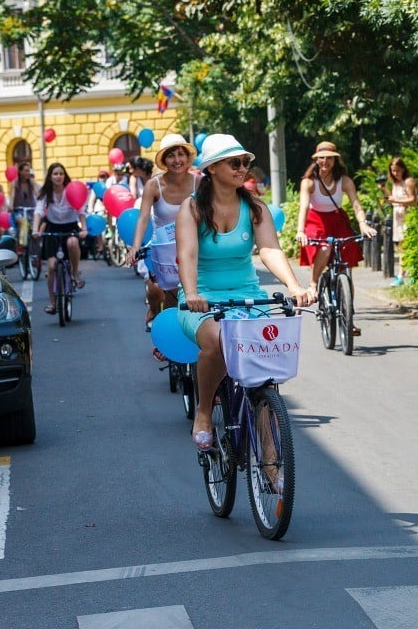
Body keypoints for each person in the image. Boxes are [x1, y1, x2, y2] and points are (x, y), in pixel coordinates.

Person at [176, 134, 314, 451]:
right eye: (234, 162)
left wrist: (293, 286)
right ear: (212, 168)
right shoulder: (193, 208)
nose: (242, 168)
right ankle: (204, 412)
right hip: (203, 299)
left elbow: (269, 250)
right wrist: (192, 292)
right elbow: (188, 255)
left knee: (267, 368)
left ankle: (269, 456)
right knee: (217, 341)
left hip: (247, 294)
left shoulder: (254, 207)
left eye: (245, 162)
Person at [126, 134, 201, 343]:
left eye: (181, 154)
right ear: (164, 160)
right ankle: (166, 335)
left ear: (187, 158)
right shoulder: (153, 185)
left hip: (194, 248)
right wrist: (135, 247)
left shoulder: (199, 182)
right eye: (171, 156)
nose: (177, 160)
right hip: (164, 250)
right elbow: (142, 219)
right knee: (161, 292)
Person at [295, 141, 378, 286]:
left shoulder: (344, 181)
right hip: (316, 220)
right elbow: (304, 207)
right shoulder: (309, 182)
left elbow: (356, 205)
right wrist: (301, 231)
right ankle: (313, 284)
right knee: (325, 248)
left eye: (329, 158)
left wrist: (364, 225)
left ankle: (348, 303)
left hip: (338, 219)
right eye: (321, 158)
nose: (325, 161)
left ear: (335, 160)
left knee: (346, 256)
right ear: (316, 160)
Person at [31, 163, 88, 315]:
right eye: (55, 174)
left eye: (61, 174)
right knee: (51, 267)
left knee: (73, 242)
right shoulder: (45, 194)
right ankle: (53, 303)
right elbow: (38, 212)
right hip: (53, 229)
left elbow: (81, 211)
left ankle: (75, 273)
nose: (58, 176)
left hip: (70, 228)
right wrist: (35, 230)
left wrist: (84, 228)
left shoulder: (71, 190)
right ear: (50, 177)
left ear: (64, 176)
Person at [377, 157, 418, 285]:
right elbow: (394, 197)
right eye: (393, 171)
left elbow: (413, 199)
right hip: (398, 218)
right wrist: (384, 190)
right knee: (402, 248)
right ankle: (404, 275)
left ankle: (404, 275)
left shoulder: (408, 182)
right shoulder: (396, 183)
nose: (395, 173)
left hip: (408, 218)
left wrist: (395, 200)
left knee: (406, 247)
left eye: (397, 171)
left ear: (403, 169)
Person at [9, 162, 39, 246]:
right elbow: (12, 195)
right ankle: (22, 245)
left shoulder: (31, 182)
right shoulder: (15, 183)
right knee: (23, 222)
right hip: (18, 210)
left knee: (35, 227)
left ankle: (35, 250)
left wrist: (41, 204)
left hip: (30, 210)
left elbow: (37, 195)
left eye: (29, 171)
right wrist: (11, 205)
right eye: (26, 171)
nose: (28, 173)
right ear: (20, 172)